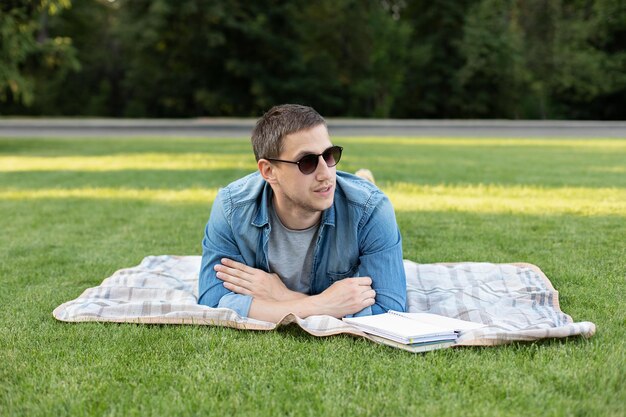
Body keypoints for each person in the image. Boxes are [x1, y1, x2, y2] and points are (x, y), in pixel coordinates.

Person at [198, 104, 406, 323]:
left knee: (357, 198)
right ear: (268, 171)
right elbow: (213, 303)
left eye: (329, 155)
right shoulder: (232, 207)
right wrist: (322, 304)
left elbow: (389, 309)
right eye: (307, 162)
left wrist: (281, 296)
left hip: (355, 206)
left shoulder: (371, 209)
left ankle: (362, 183)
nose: (325, 173)